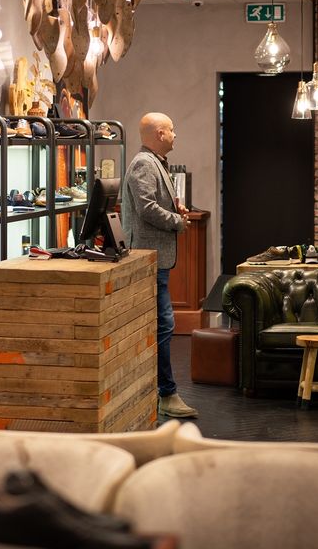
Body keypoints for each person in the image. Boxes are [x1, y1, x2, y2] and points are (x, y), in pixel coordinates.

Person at [121, 112, 198, 419]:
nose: (175, 135)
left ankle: (159, 392)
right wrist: (177, 221)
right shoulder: (144, 163)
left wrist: (176, 206)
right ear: (158, 135)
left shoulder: (156, 162)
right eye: (171, 130)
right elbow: (146, 208)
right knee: (163, 324)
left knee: (162, 324)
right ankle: (166, 394)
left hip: (155, 256)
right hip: (147, 255)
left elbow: (155, 202)